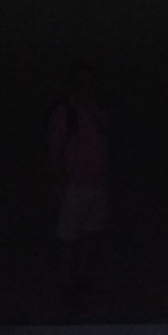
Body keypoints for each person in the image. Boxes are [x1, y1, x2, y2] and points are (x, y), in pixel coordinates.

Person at [48, 63, 110, 308]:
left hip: (98, 182)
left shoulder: (95, 109)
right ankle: (66, 286)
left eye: (90, 82)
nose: (87, 88)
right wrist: (61, 185)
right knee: (69, 238)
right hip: (75, 185)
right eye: (82, 83)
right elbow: (54, 152)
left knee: (91, 234)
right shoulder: (65, 113)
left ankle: (82, 280)